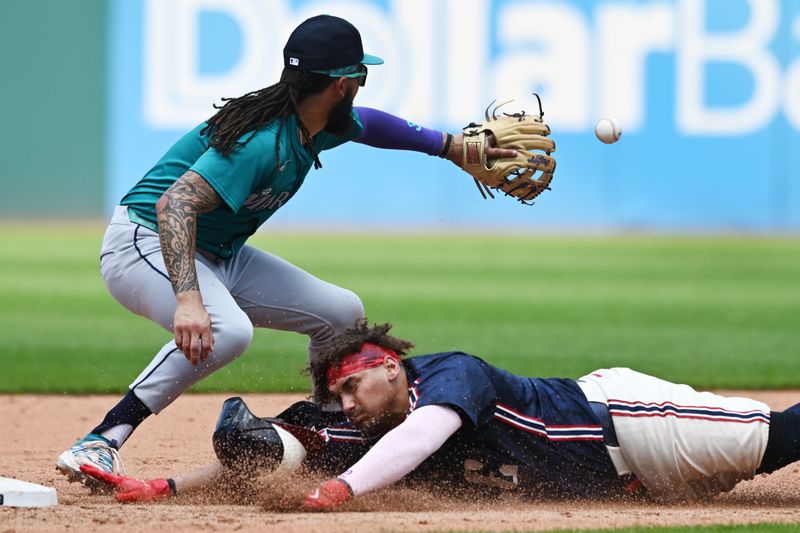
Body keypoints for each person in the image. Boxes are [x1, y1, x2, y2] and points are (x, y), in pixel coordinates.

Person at [55, 13, 518, 489]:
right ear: (343, 84)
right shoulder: (260, 142)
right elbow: (174, 205)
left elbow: (373, 124)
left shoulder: (316, 118)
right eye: (360, 74)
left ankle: (326, 436)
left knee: (339, 312)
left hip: (215, 251)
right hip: (144, 240)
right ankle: (101, 439)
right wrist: (189, 299)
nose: (362, 85)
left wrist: (449, 146)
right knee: (226, 330)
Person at [80, 320, 800, 509]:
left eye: (353, 386)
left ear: (390, 364)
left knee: (777, 443)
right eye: (336, 393)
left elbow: (431, 431)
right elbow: (272, 445)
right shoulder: (365, 427)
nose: (347, 402)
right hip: (632, 484)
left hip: (629, 423)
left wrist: (342, 489)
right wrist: (166, 486)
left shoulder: (452, 375)